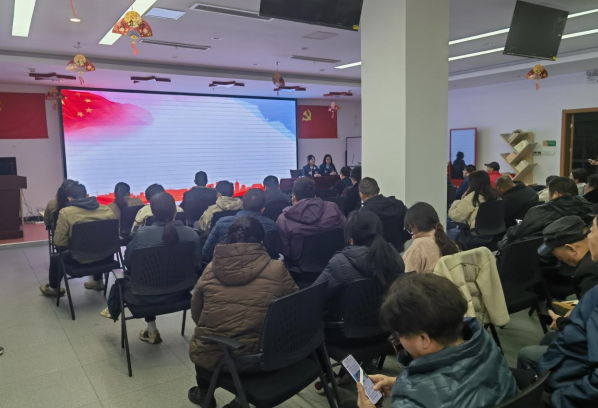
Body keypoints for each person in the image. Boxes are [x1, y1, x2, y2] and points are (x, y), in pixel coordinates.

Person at [352, 273, 517, 408]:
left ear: (423, 339)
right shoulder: (482, 341)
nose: (399, 340)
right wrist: (401, 382)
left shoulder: (411, 403)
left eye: (400, 334)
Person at [188, 217, 298, 407]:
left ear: (229, 240)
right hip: (268, 356)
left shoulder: (210, 270)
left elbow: (196, 313)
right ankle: (240, 400)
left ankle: (205, 393)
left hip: (218, 358)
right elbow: (296, 307)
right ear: (261, 241)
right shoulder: (277, 269)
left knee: (203, 344)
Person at [106, 192, 201, 344]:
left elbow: (128, 263)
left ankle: (151, 330)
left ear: (153, 213)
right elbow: (196, 264)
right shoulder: (192, 234)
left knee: (126, 281)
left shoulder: (142, 234)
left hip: (143, 295)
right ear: (175, 210)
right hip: (181, 292)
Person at [517, 216, 598, 374]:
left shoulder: (589, 272)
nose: (590, 235)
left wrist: (562, 323)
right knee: (549, 338)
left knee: (526, 354)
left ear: (571, 249)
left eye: (557, 255)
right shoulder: (591, 262)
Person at [39, 183, 116, 296]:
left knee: (56, 258)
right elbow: (114, 236)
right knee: (97, 245)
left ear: (69, 198)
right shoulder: (106, 209)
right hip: (106, 258)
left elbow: (59, 242)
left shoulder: (66, 213)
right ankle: (98, 281)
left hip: (79, 260)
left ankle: (53, 289)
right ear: (87, 195)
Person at [313, 211, 405, 304]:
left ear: (351, 240)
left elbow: (312, 298)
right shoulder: (395, 257)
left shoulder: (339, 263)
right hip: (387, 312)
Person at [538, 276, 598, 406]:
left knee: (526, 355)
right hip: (571, 364)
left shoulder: (587, 273)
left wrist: (559, 400)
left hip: (569, 385)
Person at [499, 177, 595, 253]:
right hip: (578, 252)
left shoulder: (540, 212)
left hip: (542, 255)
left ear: (556, 194)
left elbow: (516, 233)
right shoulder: (589, 208)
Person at [277, 178, 346, 267]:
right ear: (315, 196)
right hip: (335, 263)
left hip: (301, 268)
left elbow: (285, 252)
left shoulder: (283, 219)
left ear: (293, 197)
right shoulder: (332, 207)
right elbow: (345, 231)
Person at [202, 188, 278, 261]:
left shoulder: (221, 222)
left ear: (242, 203)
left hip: (225, 267)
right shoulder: (271, 225)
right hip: (261, 267)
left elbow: (206, 252)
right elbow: (274, 254)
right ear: (263, 209)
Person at [448, 170, 500, 248]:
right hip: (491, 235)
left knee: (445, 231)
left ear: (472, 182)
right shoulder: (495, 196)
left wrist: (460, 201)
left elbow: (456, 217)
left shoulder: (473, 197)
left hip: (474, 237)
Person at [403, 202, 460, 274]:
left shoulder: (417, 247)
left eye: (410, 228)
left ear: (414, 226)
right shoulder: (451, 243)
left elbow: (406, 278)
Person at [358, 177, 409, 251]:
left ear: (361, 194)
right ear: (378, 190)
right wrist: (403, 238)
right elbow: (413, 222)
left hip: (374, 254)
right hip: (397, 253)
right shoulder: (398, 204)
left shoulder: (362, 213)